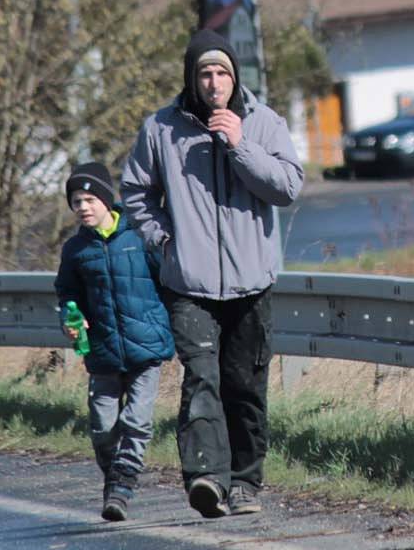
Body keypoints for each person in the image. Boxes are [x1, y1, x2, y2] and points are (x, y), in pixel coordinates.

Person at [120, 29, 303, 518]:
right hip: (190, 285)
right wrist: (163, 240)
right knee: (201, 380)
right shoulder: (161, 130)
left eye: (222, 72)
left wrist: (241, 145)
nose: (214, 81)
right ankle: (206, 479)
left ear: (234, 76)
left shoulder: (263, 123)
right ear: (192, 78)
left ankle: (244, 483)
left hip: (251, 283)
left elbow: (287, 188)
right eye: (205, 72)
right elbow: (135, 193)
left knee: (244, 385)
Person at [54, 161, 174, 522]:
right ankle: (115, 479)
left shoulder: (138, 236)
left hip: (146, 347)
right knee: (102, 426)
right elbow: (67, 294)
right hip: (103, 351)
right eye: (76, 201)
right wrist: (70, 319)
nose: (83, 207)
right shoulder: (75, 250)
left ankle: (122, 488)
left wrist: (168, 325)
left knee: (137, 420)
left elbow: (167, 282)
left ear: (107, 200)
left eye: (90, 199)